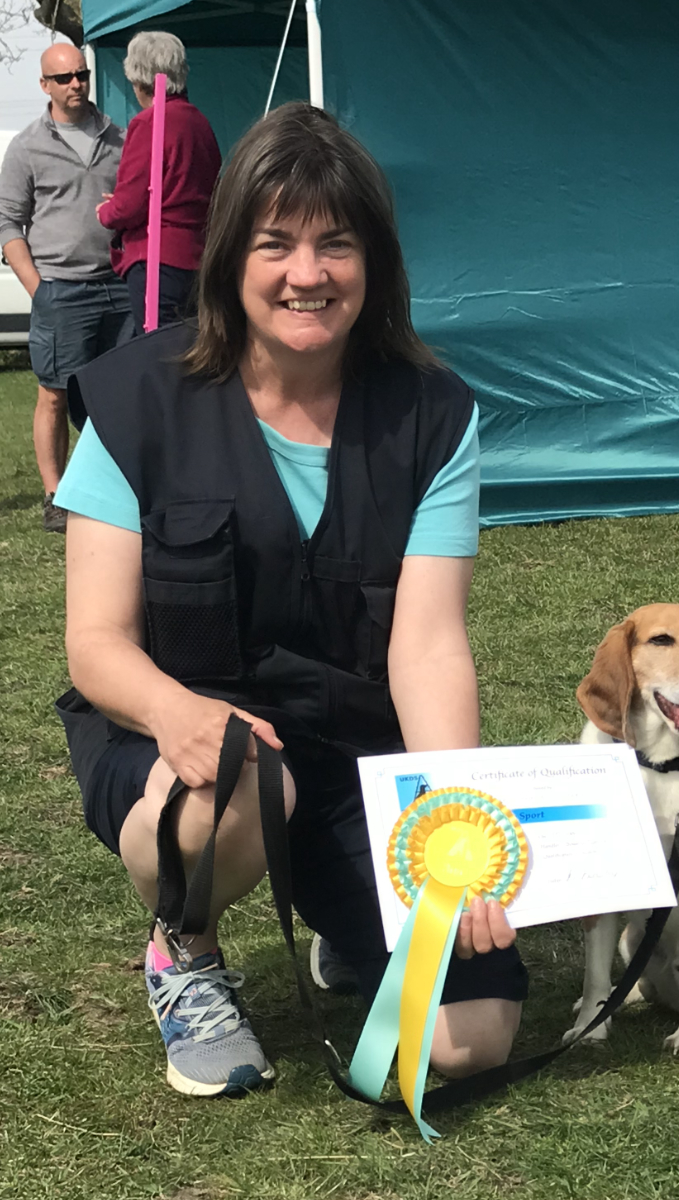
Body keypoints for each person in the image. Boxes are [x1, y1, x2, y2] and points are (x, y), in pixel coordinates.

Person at [54, 102, 527, 1100]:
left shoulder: (434, 417)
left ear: (376, 263)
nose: (306, 273)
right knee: (238, 783)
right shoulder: (136, 400)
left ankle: (358, 933)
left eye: (335, 245)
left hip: (357, 753)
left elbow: (430, 648)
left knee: (467, 1041)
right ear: (230, 256)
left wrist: (455, 834)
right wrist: (179, 715)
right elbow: (96, 645)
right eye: (275, 244)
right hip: (174, 748)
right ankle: (184, 951)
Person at [0, 42, 132, 534]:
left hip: (118, 288)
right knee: (54, 393)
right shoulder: (27, 146)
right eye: (63, 78)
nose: (75, 83)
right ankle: (55, 494)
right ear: (45, 86)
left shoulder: (119, 138)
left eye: (81, 74)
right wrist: (39, 288)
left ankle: (118, 484)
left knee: (120, 393)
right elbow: (8, 222)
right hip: (61, 289)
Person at [96, 31, 221, 331]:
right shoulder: (200, 122)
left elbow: (131, 203)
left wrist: (106, 212)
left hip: (158, 260)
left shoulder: (149, 122)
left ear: (140, 79)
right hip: (198, 256)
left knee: (158, 355)